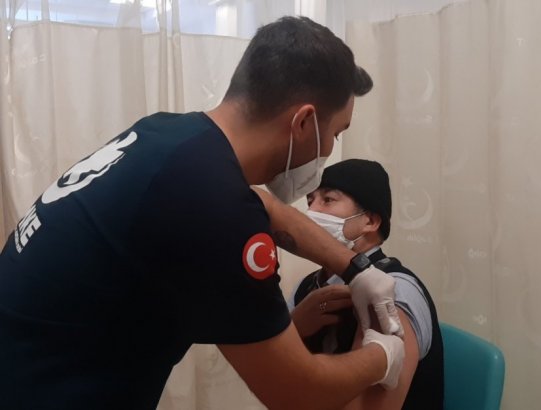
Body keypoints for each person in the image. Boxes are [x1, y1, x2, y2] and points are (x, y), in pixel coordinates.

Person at [0, 16, 405, 410]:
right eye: (335, 133)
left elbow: (264, 205)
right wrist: (383, 355)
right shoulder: (215, 209)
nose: (330, 147)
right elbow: (298, 393)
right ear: (303, 122)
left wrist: (355, 269)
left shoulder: (169, 134)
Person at [288, 159, 444, 409]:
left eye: (328, 200)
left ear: (370, 221)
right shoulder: (307, 287)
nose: (312, 212)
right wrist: (294, 327)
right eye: (310, 201)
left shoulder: (391, 291)